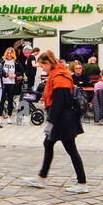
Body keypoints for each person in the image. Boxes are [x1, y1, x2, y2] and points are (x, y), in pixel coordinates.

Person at [22, 50, 87, 192]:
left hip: (64, 119)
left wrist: (51, 120)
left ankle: (82, 183)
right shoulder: (57, 74)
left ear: (48, 63)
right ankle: (41, 177)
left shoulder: (60, 77)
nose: (42, 69)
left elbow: (60, 101)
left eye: (42, 66)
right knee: (50, 144)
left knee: (70, 149)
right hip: (62, 118)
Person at [0, 48, 20, 120]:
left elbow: (22, 70)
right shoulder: (2, 61)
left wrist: (15, 75)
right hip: (3, 83)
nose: (9, 54)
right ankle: (0, 117)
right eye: (7, 53)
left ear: (13, 54)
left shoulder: (15, 62)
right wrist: (5, 74)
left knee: (10, 100)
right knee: (1, 100)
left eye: (10, 53)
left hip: (11, 83)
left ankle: (9, 116)